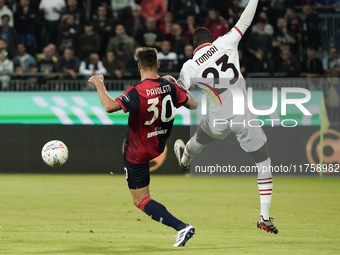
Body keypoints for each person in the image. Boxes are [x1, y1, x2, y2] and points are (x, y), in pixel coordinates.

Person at [174, 0, 279, 234]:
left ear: (194, 45)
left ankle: (184, 160)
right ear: (211, 39)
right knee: (264, 162)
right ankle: (263, 216)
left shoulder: (189, 66)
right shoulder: (226, 42)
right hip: (242, 114)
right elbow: (246, 20)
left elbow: (181, 94)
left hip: (218, 118)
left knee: (200, 137)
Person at [88, 47, 197, 247]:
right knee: (143, 196)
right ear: (158, 64)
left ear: (138, 66)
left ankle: (182, 227)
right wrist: (176, 84)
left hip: (137, 152)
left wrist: (99, 84)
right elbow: (194, 104)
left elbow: (109, 106)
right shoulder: (169, 86)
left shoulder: (137, 92)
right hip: (157, 146)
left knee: (141, 200)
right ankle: (183, 158)